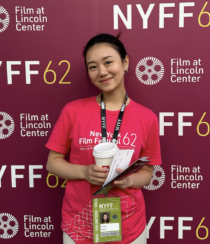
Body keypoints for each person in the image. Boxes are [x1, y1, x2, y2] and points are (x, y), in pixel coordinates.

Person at [46, 33, 162, 244]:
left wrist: (129, 180)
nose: (102, 72)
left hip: (130, 227)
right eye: (93, 66)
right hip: (79, 225)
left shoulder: (147, 118)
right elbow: (52, 163)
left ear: (125, 62)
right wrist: (83, 171)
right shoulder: (73, 111)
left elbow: (147, 171)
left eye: (108, 62)